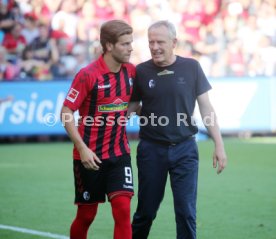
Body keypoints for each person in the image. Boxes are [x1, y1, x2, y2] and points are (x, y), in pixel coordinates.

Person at [128, 20, 227, 239]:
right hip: (151, 151)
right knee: (146, 212)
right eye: (151, 42)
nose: (154, 47)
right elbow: (132, 107)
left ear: (174, 42)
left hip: (185, 150)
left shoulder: (192, 67)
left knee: (186, 213)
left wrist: (219, 145)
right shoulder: (141, 71)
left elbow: (206, 108)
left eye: (160, 41)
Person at [60, 20, 135, 239]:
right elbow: (66, 112)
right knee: (86, 215)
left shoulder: (131, 71)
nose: (131, 48)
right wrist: (82, 148)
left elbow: (134, 102)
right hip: (89, 157)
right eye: (125, 44)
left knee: (123, 210)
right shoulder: (87, 75)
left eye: (131, 43)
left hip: (120, 154)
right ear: (109, 46)